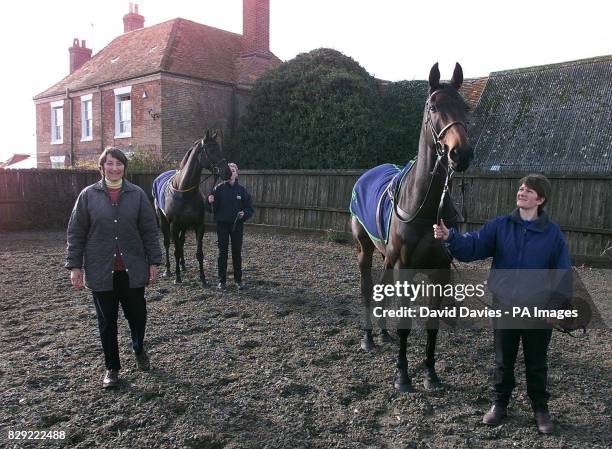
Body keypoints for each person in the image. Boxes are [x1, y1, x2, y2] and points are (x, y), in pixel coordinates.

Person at [433, 174, 571, 434]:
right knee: (503, 360)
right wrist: (450, 236)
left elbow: (562, 272)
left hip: (538, 311)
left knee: (537, 362)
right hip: (505, 305)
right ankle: (500, 404)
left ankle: (540, 410)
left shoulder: (553, 235)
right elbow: (473, 245)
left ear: (540, 199)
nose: (522, 192)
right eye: (521, 188)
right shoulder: (500, 226)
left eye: (529, 190)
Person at [66, 148, 162, 389]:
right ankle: (112, 367)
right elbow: (76, 232)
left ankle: (139, 347)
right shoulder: (88, 196)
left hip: (132, 271)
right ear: (102, 167)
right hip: (101, 270)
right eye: (110, 164)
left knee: (138, 317)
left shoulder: (137, 195)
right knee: (107, 322)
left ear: (124, 167)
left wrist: (154, 262)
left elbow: (149, 231)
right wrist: (74, 266)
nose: (114, 168)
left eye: (119, 164)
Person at [207, 162, 254, 290]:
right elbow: (212, 210)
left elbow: (250, 208)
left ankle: (238, 280)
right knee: (222, 253)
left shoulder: (242, 190)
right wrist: (209, 201)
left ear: (237, 173)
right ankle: (222, 281)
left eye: (233, 170)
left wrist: (244, 213)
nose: (231, 172)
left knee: (236, 253)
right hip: (222, 225)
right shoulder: (218, 189)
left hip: (237, 226)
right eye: (229, 170)